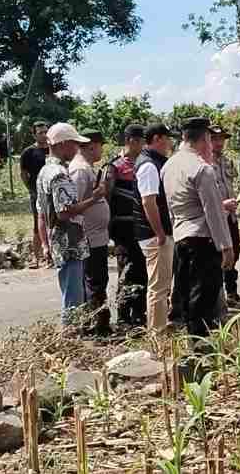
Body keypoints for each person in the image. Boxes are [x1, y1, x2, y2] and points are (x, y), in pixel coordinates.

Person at [162, 118, 235, 335]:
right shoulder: (202, 169)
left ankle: (190, 341)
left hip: (181, 238)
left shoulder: (169, 166)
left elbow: (170, 208)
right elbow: (213, 212)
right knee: (203, 300)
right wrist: (226, 246)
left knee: (187, 296)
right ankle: (200, 345)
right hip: (203, 240)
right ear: (205, 139)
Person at [36, 123, 106, 326]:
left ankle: (72, 334)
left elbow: (41, 213)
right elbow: (65, 212)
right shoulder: (59, 173)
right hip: (70, 242)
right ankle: (70, 336)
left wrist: (45, 243)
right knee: (73, 298)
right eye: (75, 144)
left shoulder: (45, 171)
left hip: (60, 240)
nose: (77, 149)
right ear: (63, 144)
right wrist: (94, 198)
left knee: (72, 292)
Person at [105, 124, 149, 328]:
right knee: (127, 270)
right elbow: (107, 198)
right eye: (140, 141)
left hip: (141, 226)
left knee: (142, 270)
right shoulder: (115, 166)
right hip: (123, 228)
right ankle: (123, 316)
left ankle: (139, 313)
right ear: (131, 141)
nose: (143, 145)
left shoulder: (144, 163)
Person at [69, 129, 112, 335]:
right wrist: (96, 197)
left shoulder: (87, 168)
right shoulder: (80, 170)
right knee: (94, 282)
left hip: (96, 236)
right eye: (101, 146)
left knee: (97, 280)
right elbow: (73, 207)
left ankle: (99, 324)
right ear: (92, 146)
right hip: (89, 237)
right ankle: (96, 327)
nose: (101, 150)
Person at [134, 123, 176, 332]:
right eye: (167, 139)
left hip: (157, 232)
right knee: (158, 287)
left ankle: (160, 327)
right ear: (158, 139)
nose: (170, 143)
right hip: (154, 234)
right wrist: (159, 232)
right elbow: (148, 202)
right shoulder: (149, 165)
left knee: (162, 284)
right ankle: (157, 333)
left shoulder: (154, 162)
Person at [210, 126, 240, 309]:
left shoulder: (227, 162)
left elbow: (231, 184)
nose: (219, 143)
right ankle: (218, 297)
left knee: (234, 253)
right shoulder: (204, 163)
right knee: (217, 257)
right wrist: (221, 205)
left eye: (222, 139)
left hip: (231, 216)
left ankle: (231, 293)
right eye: (215, 139)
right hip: (216, 218)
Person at [21, 121, 49, 269]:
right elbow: (23, 174)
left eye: (46, 132)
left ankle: (51, 256)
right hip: (37, 194)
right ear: (34, 135)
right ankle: (36, 258)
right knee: (38, 225)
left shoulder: (53, 148)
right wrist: (31, 190)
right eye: (40, 133)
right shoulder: (28, 152)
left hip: (54, 194)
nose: (44, 135)